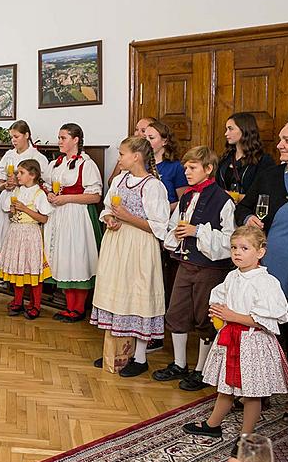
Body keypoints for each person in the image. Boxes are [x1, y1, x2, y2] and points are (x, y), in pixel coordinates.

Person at [182, 226, 288, 458]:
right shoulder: (232, 276)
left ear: (260, 252)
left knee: (252, 394)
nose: (237, 252)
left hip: (253, 343)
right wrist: (218, 313)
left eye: (244, 248)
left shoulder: (266, 282)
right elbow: (220, 298)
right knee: (226, 386)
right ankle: (213, 425)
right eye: (234, 247)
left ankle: (246, 438)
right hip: (231, 340)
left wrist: (234, 317)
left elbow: (272, 318)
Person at [153, 146, 235, 391]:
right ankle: (179, 364)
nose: (186, 172)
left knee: (204, 317)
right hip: (185, 264)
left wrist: (197, 231)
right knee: (176, 312)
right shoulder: (186, 197)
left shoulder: (223, 200)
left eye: (192, 168)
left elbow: (229, 240)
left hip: (209, 268)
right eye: (185, 167)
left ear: (208, 169)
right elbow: (172, 225)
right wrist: (176, 234)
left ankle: (201, 369)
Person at [90, 137, 170, 377]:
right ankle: (116, 351)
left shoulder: (153, 186)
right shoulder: (120, 180)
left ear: (136, 156)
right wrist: (110, 218)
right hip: (117, 243)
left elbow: (159, 226)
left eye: (122, 154)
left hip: (139, 246)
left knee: (138, 296)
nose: (119, 158)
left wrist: (126, 216)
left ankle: (141, 357)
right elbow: (106, 207)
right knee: (118, 294)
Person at [236, 119, 288, 415]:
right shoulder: (270, 176)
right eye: (281, 139)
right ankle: (262, 389)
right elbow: (243, 207)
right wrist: (248, 219)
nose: (280, 145)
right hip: (270, 270)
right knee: (272, 334)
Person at [43, 123, 103, 322]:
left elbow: (95, 196)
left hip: (78, 216)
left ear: (75, 140)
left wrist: (66, 199)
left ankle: (78, 308)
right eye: (59, 138)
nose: (59, 141)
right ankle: (69, 306)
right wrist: (51, 193)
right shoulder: (56, 163)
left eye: (63, 138)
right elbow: (46, 185)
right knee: (64, 258)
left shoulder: (86, 164)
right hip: (59, 215)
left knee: (78, 259)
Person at [143, 119, 188, 353]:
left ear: (164, 141)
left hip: (164, 225)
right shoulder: (142, 165)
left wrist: (163, 209)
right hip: (142, 226)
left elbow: (183, 199)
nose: (147, 142)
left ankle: (159, 332)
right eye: (145, 137)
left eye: (151, 138)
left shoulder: (174, 167)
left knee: (160, 280)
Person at [0, 120, 48, 266]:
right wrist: (5, 184)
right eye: (11, 137)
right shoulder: (8, 155)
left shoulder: (37, 156)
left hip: (26, 202)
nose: (13, 140)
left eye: (16, 136)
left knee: (22, 242)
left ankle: (23, 271)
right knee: (4, 235)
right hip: (8, 198)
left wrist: (21, 183)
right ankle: (6, 272)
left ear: (26, 135)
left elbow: (43, 184)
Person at [0, 159, 54, 319]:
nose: (18, 176)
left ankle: (35, 304)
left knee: (32, 268)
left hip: (30, 235)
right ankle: (18, 300)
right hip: (15, 233)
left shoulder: (39, 193)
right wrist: (13, 210)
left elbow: (43, 219)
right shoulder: (17, 191)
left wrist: (25, 209)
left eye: (21, 173)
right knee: (17, 267)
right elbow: (9, 213)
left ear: (33, 175)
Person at [217, 112, 275, 201]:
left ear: (244, 130)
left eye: (230, 129)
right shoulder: (226, 158)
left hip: (247, 212)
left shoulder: (263, 160)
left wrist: (234, 196)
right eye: (226, 129)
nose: (226, 133)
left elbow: (264, 195)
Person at [108, 116, 156, 183]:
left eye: (143, 131)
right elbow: (111, 181)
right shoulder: (126, 154)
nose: (137, 134)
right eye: (136, 130)